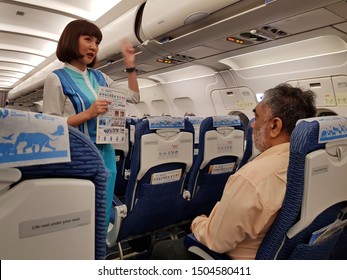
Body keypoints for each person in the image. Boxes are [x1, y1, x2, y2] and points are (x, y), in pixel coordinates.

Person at [152, 83, 316, 260]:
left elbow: (217, 241)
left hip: (234, 257)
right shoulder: (309, 165)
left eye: (257, 116)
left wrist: (198, 223)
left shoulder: (252, 178)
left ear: (275, 126)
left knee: (161, 249)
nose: (252, 125)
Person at [42, 19, 140, 227]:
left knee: (102, 212)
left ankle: (99, 253)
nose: (94, 47)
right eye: (88, 39)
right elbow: (49, 125)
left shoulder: (101, 77)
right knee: (81, 214)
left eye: (97, 42)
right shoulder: (57, 78)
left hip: (106, 153)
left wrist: (130, 65)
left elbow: (133, 96)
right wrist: (87, 114)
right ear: (71, 40)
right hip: (78, 155)